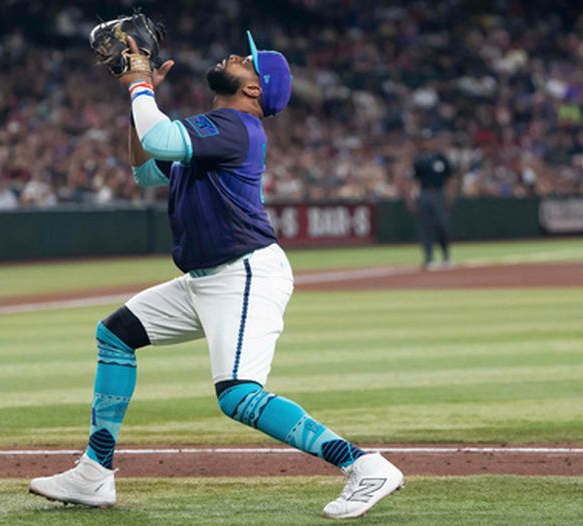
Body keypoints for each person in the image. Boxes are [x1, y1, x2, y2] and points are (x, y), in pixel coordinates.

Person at [29, 32, 403, 519]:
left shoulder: (235, 127)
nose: (234, 56)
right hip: (206, 278)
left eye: (246, 61)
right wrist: (138, 95)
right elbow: (144, 168)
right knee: (115, 335)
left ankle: (365, 465)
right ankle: (94, 475)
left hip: (243, 272)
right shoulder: (216, 130)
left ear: (253, 91)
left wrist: (141, 83)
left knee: (239, 395)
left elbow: (158, 137)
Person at [410, 129, 456, 268]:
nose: (428, 143)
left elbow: (451, 178)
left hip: (439, 193)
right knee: (425, 227)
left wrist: (450, 195)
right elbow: (413, 180)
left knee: (442, 226)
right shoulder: (419, 159)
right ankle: (428, 257)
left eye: (430, 140)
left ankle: (446, 256)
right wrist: (412, 198)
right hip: (424, 193)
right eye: (426, 141)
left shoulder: (441, 158)